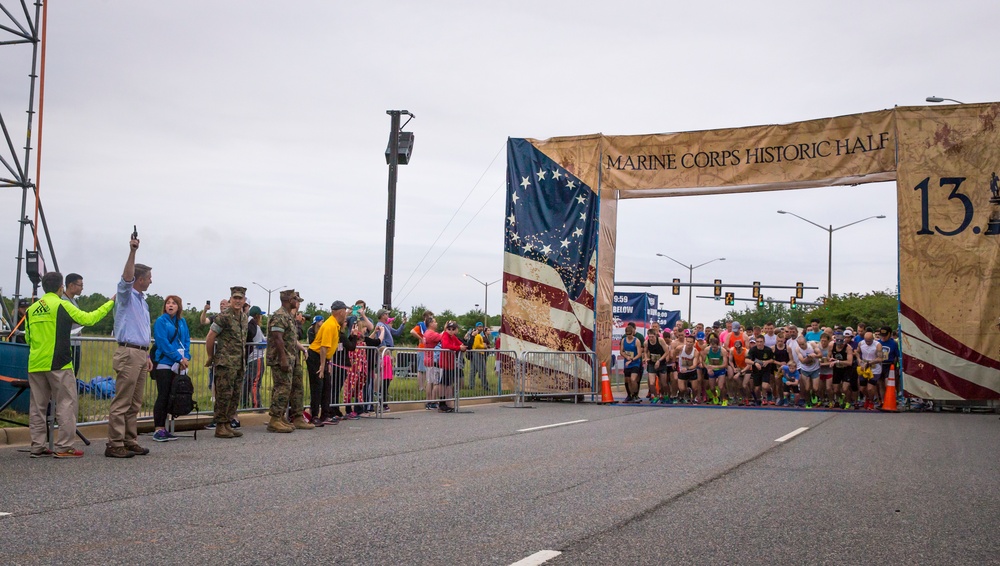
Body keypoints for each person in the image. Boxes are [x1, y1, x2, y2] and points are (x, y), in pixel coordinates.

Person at [24, 272, 113, 458]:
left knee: (37, 407)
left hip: (35, 362)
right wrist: (110, 302)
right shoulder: (62, 305)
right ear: (61, 287)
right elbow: (89, 319)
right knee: (66, 404)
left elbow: (28, 338)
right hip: (59, 362)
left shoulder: (31, 309)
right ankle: (64, 446)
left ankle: (37, 446)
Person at [106, 235, 153, 459]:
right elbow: (126, 278)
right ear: (139, 278)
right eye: (149, 278)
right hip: (129, 352)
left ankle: (129, 439)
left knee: (135, 401)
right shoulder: (126, 296)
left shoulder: (142, 301)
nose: (151, 281)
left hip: (141, 354)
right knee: (123, 400)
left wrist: (147, 355)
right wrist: (133, 251)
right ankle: (114, 443)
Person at [266, 289, 313, 432]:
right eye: (295, 299)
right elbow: (277, 338)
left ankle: (296, 417)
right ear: (288, 300)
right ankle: (275, 419)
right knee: (282, 388)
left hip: (292, 357)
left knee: (296, 387)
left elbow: (292, 339)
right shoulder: (279, 316)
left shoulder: (289, 316)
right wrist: (283, 358)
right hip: (281, 358)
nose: (297, 302)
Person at [204, 286, 249, 439]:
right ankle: (220, 426)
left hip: (239, 363)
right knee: (224, 395)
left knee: (235, 395)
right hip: (225, 362)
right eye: (234, 298)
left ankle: (228, 424)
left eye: (240, 298)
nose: (237, 301)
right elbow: (210, 336)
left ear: (244, 300)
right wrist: (211, 356)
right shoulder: (224, 316)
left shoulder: (243, 317)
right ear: (230, 300)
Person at [151, 295, 191, 442]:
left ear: (179, 306)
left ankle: (167, 428)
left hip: (180, 363)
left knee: (173, 395)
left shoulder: (182, 322)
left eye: (173, 303)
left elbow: (186, 340)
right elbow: (162, 342)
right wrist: (178, 358)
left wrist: (186, 357)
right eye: (168, 303)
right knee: (163, 394)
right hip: (165, 363)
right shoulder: (161, 321)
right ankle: (158, 428)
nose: (170, 305)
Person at [308, 301, 348, 426]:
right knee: (317, 386)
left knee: (327, 387)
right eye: (345, 312)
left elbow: (329, 348)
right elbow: (324, 347)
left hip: (324, 358)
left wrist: (328, 363)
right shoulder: (329, 325)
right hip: (316, 356)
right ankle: (314, 415)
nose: (346, 314)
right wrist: (321, 365)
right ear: (341, 312)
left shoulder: (335, 325)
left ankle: (325, 414)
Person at [375, 309, 406, 408]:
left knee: (387, 378)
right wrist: (386, 352)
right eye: (386, 314)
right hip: (385, 352)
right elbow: (381, 340)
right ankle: (382, 402)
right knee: (384, 378)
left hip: (387, 351)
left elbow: (396, 333)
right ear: (382, 315)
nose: (388, 315)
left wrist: (403, 324)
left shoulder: (386, 326)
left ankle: (383, 401)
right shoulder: (380, 326)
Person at [438, 320, 467, 412]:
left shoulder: (453, 336)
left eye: (453, 329)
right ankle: (442, 403)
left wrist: (462, 347)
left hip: (450, 364)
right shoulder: (445, 336)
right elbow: (446, 345)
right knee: (443, 383)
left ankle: (446, 402)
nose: (450, 330)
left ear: (455, 330)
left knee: (448, 384)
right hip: (445, 364)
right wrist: (459, 348)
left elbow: (459, 343)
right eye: (449, 328)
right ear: (446, 329)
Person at [61, 272, 85, 374]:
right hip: (68, 344)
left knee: (74, 371)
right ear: (71, 285)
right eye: (80, 285)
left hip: (76, 343)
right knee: (69, 373)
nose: (82, 288)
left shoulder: (73, 301)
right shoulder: (63, 300)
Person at [244, 305, 267, 409]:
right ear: (257, 316)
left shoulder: (252, 325)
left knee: (249, 381)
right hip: (257, 357)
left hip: (251, 358)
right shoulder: (255, 327)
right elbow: (260, 342)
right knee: (255, 382)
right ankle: (256, 404)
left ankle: (245, 402)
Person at [856, 331, 883, 410]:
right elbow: (857, 352)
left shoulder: (878, 345)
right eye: (866, 341)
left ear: (873, 339)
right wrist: (858, 359)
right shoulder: (861, 343)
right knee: (862, 388)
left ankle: (871, 401)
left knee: (870, 388)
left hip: (874, 368)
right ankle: (867, 398)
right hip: (864, 367)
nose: (868, 343)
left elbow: (880, 358)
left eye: (869, 341)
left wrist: (869, 363)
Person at [701, 335, 729, 405]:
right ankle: (715, 395)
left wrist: (715, 366)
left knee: (721, 386)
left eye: (715, 347)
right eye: (712, 347)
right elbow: (703, 361)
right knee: (712, 388)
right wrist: (708, 368)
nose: (713, 349)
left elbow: (725, 364)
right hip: (711, 370)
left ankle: (724, 399)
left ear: (718, 345)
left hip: (720, 369)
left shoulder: (723, 351)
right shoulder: (707, 350)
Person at [747, 336, 775, 405]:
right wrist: (755, 363)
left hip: (766, 370)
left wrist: (767, 361)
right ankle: (759, 399)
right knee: (757, 389)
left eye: (761, 342)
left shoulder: (768, 350)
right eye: (758, 342)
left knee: (764, 386)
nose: (759, 343)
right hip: (756, 371)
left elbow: (773, 359)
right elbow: (746, 360)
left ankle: (768, 393)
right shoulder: (753, 350)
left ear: (764, 342)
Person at [621, 322, 644, 403]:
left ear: (632, 333)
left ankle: (635, 395)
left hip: (635, 362)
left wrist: (632, 359)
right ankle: (629, 395)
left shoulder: (636, 340)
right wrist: (626, 357)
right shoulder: (624, 340)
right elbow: (622, 351)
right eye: (627, 335)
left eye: (630, 335)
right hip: (627, 362)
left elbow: (639, 353)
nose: (629, 336)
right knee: (627, 380)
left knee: (633, 379)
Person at [465, 322, 489, 389]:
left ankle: (471, 386)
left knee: (473, 370)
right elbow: (476, 345)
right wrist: (484, 346)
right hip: (477, 353)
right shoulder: (476, 334)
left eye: (481, 327)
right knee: (482, 370)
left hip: (478, 353)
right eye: (479, 327)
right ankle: (485, 386)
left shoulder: (481, 334)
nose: (480, 328)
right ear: (476, 327)